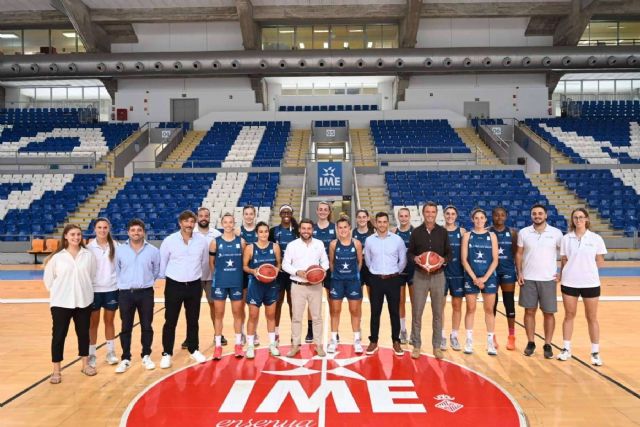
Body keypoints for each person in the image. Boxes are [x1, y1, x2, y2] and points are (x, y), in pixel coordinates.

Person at [43, 224, 97, 384]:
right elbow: (48, 281)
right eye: (72, 234)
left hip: (83, 301)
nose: (76, 237)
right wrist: (61, 292)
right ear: (65, 236)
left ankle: (85, 365)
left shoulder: (88, 256)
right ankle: (56, 370)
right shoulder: (57, 258)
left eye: (78, 234)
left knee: (83, 334)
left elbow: (92, 275)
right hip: (61, 303)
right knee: (59, 336)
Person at [159, 210, 209, 369]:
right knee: (170, 321)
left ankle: (194, 349)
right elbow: (163, 262)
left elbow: (204, 261)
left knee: (193, 320)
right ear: (180, 223)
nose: (189, 225)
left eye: (191, 222)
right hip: (174, 285)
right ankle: (167, 353)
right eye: (186, 222)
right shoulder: (169, 241)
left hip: (194, 285)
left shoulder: (201, 241)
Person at [557, 208, 607, 366]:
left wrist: (587, 271)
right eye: (575, 217)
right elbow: (564, 260)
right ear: (572, 220)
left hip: (590, 283)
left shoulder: (596, 238)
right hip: (569, 282)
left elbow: (600, 260)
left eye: (581, 217)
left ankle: (595, 352)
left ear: (586, 219)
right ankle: (566, 349)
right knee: (569, 315)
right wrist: (564, 273)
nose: (578, 220)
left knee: (591, 317)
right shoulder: (566, 239)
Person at [113, 219, 161, 373]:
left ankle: (146, 355)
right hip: (126, 294)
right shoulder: (120, 250)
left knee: (147, 326)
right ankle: (125, 358)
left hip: (146, 293)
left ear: (143, 232)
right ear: (128, 232)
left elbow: (155, 271)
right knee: (125, 327)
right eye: (133, 230)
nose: (136, 233)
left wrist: (145, 282)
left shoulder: (153, 251)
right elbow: (117, 270)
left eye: (139, 230)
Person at [516, 204, 563, 359]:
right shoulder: (524, 233)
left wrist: (561, 273)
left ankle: (548, 344)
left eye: (540, 213)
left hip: (548, 279)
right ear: (531, 216)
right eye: (534, 213)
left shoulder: (556, 233)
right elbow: (519, 254)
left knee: (548, 313)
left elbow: (564, 255)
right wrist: (519, 272)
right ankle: (531, 342)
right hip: (528, 278)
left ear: (546, 215)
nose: (537, 216)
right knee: (529, 311)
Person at [407, 202, 451, 360]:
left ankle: (437, 346)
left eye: (433, 212)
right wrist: (415, 258)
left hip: (438, 276)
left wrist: (442, 260)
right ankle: (416, 345)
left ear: (436, 213)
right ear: (423, 213)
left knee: (438, 313)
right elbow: (410, 253)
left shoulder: (443, 232)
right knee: (417, 312)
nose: (430, 214)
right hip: (420, 276)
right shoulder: (416, 232)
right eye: (427, 211)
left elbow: (449, 254)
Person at [281, 218, 329, 357]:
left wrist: (320, 271)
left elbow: (325, 262)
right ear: (299, 230)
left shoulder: (319, 244)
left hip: (315, 285)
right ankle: (295, 345)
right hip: (298, 285)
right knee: (296, 317)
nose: (306, 231)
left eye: (309, 228)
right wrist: (297, 272)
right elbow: (285, 264)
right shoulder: (292, 245)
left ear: (312, 230)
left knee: (317, 317)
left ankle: (318, 345)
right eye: (303, 228)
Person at [365, 212, 407, 356]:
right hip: (376, 280)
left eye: (384, 222)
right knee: (375, 312)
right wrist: (376, 272)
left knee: (394, 312)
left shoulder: (397, 240)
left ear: (388, 223)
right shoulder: (369, 240)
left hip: (393, 279)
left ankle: (396, 341)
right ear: (375, 223)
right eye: (379, 222)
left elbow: (402, 261)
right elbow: (368, 261)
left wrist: (394, 272)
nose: (382, 224)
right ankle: (374, 341)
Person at [461, 208, 500, 356]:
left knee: (489, 310)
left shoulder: (492, 236)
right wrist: (475, 278)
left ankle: (490, 343)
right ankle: (469, 341)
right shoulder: (467, 236)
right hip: (471, 277)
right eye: (476, 218)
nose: (479, 220)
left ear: (485, 220)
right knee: (470, 309)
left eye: (481, 218)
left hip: (488, 277)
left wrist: (484, 278)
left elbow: (495, 260)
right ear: (473, 219)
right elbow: (464, 260)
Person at [182, 207, 222, 349]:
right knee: (192, 308)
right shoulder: (190, 233)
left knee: (215, 306)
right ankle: (190, 337)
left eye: (206, 215)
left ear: (210, 218)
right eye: (201, 215)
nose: (204, 218)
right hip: (195, 277)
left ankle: (218, 334)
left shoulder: (216, 234)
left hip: (212, 277)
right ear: (197, 218)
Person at [243, 221, 282, 359]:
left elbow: (278, 263)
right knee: (253, 316)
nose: (264, 234)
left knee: (271, 315)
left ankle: (272, 344)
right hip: (255, 285)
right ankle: (250, 346)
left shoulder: (275, 247)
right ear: (257, 233)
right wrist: (254, 271)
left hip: (271, 285)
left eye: (266, 231)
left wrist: (277, 269)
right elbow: (245, 266)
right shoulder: (250, 248)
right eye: (261, 232)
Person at [211, 213, 247, 360]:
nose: (227, 224)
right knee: (219, 314)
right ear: (221, 223)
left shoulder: (242, 242)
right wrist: (218, 276)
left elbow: (245, 262)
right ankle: (218, 346)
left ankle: (238, 344)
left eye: (230, 222)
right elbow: (211, 263)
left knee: (237, 313)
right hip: (220, 282)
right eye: (225, 222)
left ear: (234, 223)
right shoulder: (215, 242)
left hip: (236, 282)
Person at [328, 217, 364, 354]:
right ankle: (333, 340)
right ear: (337, 229)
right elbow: (331, 263)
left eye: (345, 227)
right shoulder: (333, 244)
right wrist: (338, 275)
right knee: (335, 311)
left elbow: (360, 262)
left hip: (353, 282)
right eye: (340, 227)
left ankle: (356, 340)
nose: (343, 230)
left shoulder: (357, 243)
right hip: (337, 282)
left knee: (354, 311)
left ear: (350, 228)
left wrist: (353, 275)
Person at [87, 217, 119, 368]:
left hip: (111, 289)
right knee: (93, 323)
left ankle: (110, 352)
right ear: (94, 229)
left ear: (109, 229)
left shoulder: (116, 246)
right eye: (99, 227)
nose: (102, 230)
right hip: (94, 290)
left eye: (105, 227)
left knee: (109, 322)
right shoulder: (88, 247)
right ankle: (92, 354)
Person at [489, 207, 518, 351]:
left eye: (502, 215)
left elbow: (516, 253)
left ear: (506, 216)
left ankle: (511, 336)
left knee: (509, 303)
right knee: (491, 306)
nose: (499, 217)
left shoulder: (512, 233)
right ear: (492, 216)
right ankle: (492, 336)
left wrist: (518, 272)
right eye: (496, 215)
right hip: (492, 272)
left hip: (507, 271)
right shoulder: (488, 232)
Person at [270, 204, 299, 343]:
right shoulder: (273, 231)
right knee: (278, 303)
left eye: (288, 212)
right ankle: (275, 333)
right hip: (279, 273)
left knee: (293, 303)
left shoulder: (298, 231)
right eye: (283, 212)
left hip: (293, 273)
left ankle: (295, 335)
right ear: (280, 214)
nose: (286, 214)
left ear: (291, 214)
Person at [441, 206, 466, 351]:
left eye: (453, 214)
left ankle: (454, 335)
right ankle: (442, 336)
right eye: (448, 214)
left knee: (457, 306)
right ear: (444, 215)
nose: (450, 216)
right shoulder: (439, 231)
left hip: (458, 274)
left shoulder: (462, 232)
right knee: (440, 307)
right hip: (441, 275)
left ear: (456, 216)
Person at [311, 201, 335, 344]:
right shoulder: (311, 228)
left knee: (333, 301)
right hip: (313, 270)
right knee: (314, 303)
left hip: (330, 269)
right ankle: (312, 331)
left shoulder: (334, 228)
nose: (322, 212)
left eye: (325, 209)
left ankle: (334, 331)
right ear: (317, 211)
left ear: (329, 211)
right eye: (320, 209)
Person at [392, 207, 414, 344]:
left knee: (414, 303)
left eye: (406, 216)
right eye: (401, 216)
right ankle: (403, 329)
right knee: (400, 301)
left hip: (413, 271)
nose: (404, 218)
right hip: (398, 271)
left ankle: (414, 332)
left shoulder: (416, 232)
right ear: (398, 217)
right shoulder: (394, 232)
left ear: (409, 217)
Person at [238, 205, 258, 346]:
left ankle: (254, 331)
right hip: (243, 272)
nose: (249, 216)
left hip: (257, 272)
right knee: (241, 305)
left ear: (255, 215)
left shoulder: (260, 231)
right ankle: (243, 331)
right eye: (247, 214)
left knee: (254, 306)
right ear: (243, 215)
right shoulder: (238, 231)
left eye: (251, 214)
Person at [352, 209, 375, 299]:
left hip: (371, 267)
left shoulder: (374, 232)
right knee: (357, 297)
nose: (362, 219)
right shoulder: (352, 232)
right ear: (356, 219)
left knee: (373, 297)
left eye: (364, 217)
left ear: (368, 218)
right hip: (357, 266)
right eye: (359, 217)